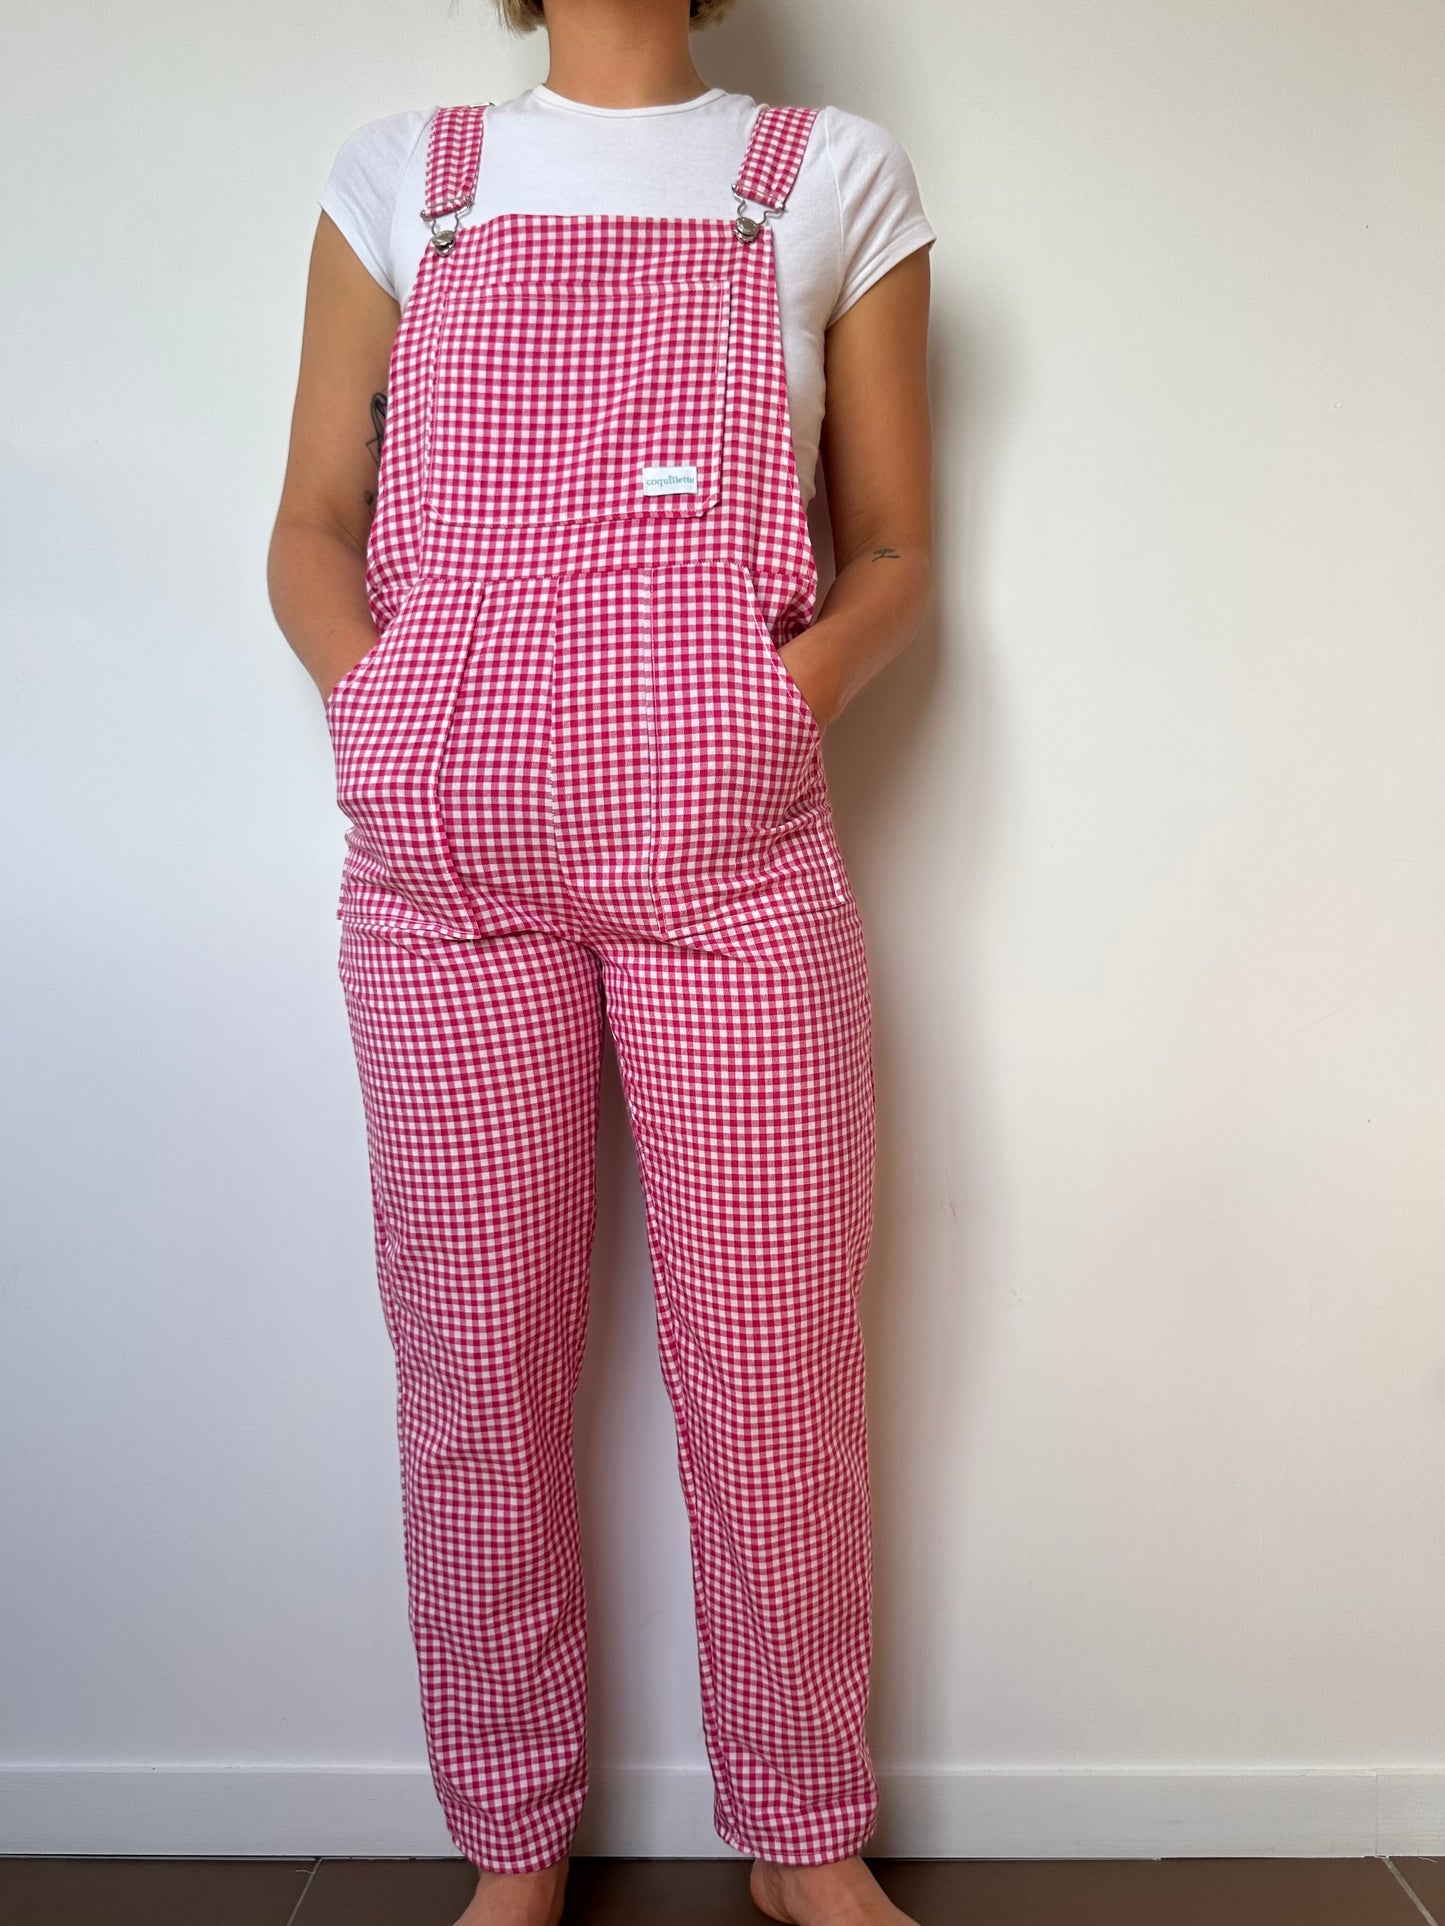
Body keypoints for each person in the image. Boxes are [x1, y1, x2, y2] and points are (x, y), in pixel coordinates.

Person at [268, 1, 934, 1920]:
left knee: (773, 1355)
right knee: (474, 1362)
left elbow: (895, 549)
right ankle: (512, 1844)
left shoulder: (824, 176)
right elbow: (309, 524)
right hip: (447, 843)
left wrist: (769, 709)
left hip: (728, 849)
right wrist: (381, 706)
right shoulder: (407, 180)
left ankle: (802, 1837)